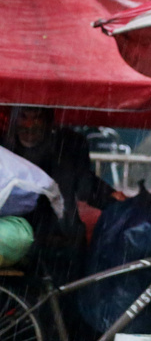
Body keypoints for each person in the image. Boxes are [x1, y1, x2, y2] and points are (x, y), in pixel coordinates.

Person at [2, 107, 123, 285]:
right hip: (20, 237)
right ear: (13, 120)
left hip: (61, 236)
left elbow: (86, 185)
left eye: (36, 118)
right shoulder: (4, 147)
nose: (29, 125)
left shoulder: (68, 146)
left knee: (65, 292)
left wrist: (114, 198)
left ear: (47, 121)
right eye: (23, 117)